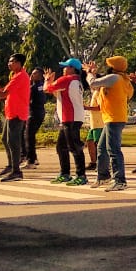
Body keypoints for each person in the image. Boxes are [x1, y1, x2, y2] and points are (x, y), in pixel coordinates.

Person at [87, 56, 133, 192]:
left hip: (114, 118)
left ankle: (120, 180)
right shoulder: (122, 79)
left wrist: (89, 73)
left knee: (113, 150)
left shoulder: (115, 78)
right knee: (101, 148)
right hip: (110, 118)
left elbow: (93, 83)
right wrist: (93, 73)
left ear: (114, 67)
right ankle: (103, 176)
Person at [45, 58, 88, 186]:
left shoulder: (66, 79)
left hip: (70, 117)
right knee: (61, 147)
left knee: (74, 147)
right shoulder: (76, 81)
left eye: (66, 67)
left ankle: (81, 175)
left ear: (72, 69)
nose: (64, 69)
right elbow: (56, 93)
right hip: (71, 117)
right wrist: (51, 84)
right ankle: (65, 173)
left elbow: (46, 89)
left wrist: (48, 80)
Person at [0, 54, 31, 183]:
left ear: (19, 63)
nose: (9, 63)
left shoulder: (20, 76)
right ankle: (11, 166)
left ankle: (16, 171)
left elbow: (3, 94)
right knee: (5, 139)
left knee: (13, 141)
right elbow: (5, 93)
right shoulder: (15, 76)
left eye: (12, 61)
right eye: (9, 61)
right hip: (11, 113)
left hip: (17, 113)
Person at [23, 67, 46, 169]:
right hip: (38, 113)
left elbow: (31, 99)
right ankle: (34, 158)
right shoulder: (40, 86)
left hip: (34, 114)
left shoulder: (36, 87)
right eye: (32, 73)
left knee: (28, 136)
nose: (32, 75)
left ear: (41, 75)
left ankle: (30, 160)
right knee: (30, 136)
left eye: (35, 73)